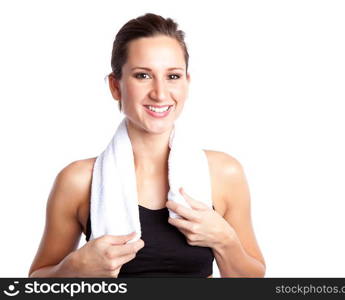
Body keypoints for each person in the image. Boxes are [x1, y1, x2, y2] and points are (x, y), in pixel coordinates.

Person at [28, 13, 265, 278]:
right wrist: (73, 269)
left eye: (173, 76)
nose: (160, 93)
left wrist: (225, 241)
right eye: (143, 75)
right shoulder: (78, 180)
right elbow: (36, 283)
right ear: (115, 86)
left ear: (187, 83)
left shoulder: (223, 173)